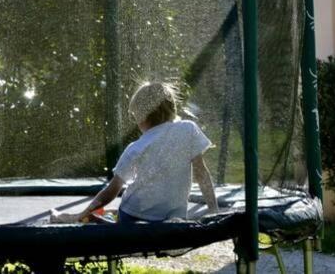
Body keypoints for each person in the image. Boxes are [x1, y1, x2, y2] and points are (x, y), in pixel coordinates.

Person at [55, 82, 219, 223]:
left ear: (141, 117)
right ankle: (93, 216)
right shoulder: (187, 129)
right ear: (171, 109)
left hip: (133, 216)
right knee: (117, 214)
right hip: (171, 216)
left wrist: (85, 212)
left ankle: (81, 217)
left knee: (116, 214)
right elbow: (201, 173)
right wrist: (214, 211)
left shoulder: (136, 148)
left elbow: (112, 190)